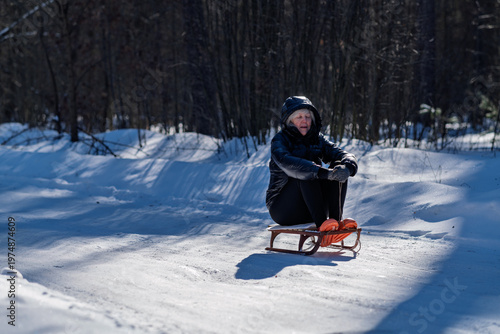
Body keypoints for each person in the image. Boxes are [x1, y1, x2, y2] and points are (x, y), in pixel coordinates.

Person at [266, 96, 358, 232]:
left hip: (313, 206)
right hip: (283, 209)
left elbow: (342, 154)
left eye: (308, 116)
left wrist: (347, 168)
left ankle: (335, 222)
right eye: (299, 117)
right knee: (306, 172)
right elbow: (288, 163)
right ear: (290, 120)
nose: (305, 120)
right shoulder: (279, 141)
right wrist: (322, 173)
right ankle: (322, 225)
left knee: (338, 168)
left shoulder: (316, 139)